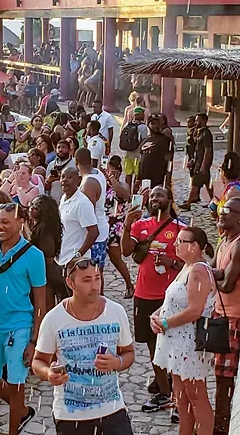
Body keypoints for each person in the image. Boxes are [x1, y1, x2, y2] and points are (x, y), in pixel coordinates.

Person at [32, 257, 135, 435]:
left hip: (112, 410)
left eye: (97, 278)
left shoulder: (116, 312)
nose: (95, 286)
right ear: (70, 283)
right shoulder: (53, 319)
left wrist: (116, 363)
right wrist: (49, 373)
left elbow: (129, 353)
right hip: (71, 416)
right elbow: (38, 361)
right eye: (87, 280)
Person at [0, 203, 46, 435]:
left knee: (16, 383)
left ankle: (13, 429)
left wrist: (34, 341)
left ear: (20, 222)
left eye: (5, 222)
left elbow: (40, 300)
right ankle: (22, 411)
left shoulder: (34, 255)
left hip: (20, 325)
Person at [121, 186, 185, 412]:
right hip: (144, 294)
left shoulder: (180, 229)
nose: (155, 198)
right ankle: (165, 393)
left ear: (170, 200)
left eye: (161, 195)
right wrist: (127, 225)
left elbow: (190, 264)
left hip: (170, 298)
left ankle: (178, 395)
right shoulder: (140, 226)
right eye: (153, 195)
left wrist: (171, 263)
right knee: (153, 345)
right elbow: (126, 251)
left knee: (174, 346)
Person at [152, 226, 216, 435]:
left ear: (195, 246)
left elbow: (195, 310)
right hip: (177, 342)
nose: (175, 244)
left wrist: (165, 323)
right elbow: (174, 301)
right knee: (181, 397)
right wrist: (156, 315)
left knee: (196, 395)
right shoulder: (186, 267)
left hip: (189, 343)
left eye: (181, 241)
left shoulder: (198, 270)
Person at [210, 197, 240, 435]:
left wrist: (215, 277)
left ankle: (222, 428)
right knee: (220, 378)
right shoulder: (224, 240)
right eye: (222, 208)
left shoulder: (238, 245)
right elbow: (211, 269)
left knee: (226, 381)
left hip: (234, 319)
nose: (222, 213)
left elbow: (227, 284)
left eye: (228, 210)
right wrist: (217, 274)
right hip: (221, 316)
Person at [75, 148, 109, 277]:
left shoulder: (88, 183)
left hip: (94, 234)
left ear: (76, 162)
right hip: (101, 227)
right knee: (98, 272)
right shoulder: (98, 172)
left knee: (93, 274)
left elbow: (88, 213)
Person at [57, 167, 99, 269]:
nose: (64, 180)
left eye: (70, 177)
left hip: (75, 261)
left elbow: (94, 232)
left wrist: (78, 255)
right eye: (63, 177)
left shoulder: (83, 203)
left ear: (79, 180)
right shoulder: (63, 198)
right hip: (61, 258)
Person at [104, 155, 134, 298]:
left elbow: (124, 195)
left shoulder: (123, 185)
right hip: (103, 224)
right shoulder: (102, 184)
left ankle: (129, 284)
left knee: (116, 258)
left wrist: (113, 180)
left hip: (115, 227)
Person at [29, 195, 65, 311]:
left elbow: (48, 255)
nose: (31, 208)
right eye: (31, 205)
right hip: (44, 272)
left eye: (35, 207)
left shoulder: (45, 232)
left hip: (46, 274)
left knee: (45, 306)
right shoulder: (39, 227)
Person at [180, 113, 214, 210]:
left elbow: (207, 151)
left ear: (203, 121)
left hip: (202, 162)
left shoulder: (206, 133)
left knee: (195, 182)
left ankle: (188, 203)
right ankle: (213, 201)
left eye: (197, 120)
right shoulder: (199, 132)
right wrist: (192, 160)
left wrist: (204, 165)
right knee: (207, 182)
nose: (195, 122)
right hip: (198, 160)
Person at [137, 115, 174, 190]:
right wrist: (138, 177)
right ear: (148, 125)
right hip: (144, 176)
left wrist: (168, 180)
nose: (155, 126)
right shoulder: (145, 140)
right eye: (153, 123)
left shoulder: (165, 140)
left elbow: (169, 160)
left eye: (157, 123)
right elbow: (140, 160)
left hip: (157, 176)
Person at [121, 107, 149, 190]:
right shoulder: (143, 127)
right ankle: (134, 193)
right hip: (137, 155)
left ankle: (127, 191)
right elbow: (144, 140)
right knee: (137, 176)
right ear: (139, 114)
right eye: (142, 114)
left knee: (128, 175)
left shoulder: (128, 124)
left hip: (127, 154)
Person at [212, 151, 240, 222]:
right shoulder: (231, 188)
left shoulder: (232, 192)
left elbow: (229, 215)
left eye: (220, 170)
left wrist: (216, 206)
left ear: (223, 172)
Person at [45, 139, 75, 204]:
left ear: (69, 150)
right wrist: (48, 181)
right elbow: (46, 187)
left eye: (64, 147)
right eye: (58, 147)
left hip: (70, 200)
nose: (61, 150)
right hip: (54, 200)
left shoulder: (74, 163)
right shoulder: (51, 165)